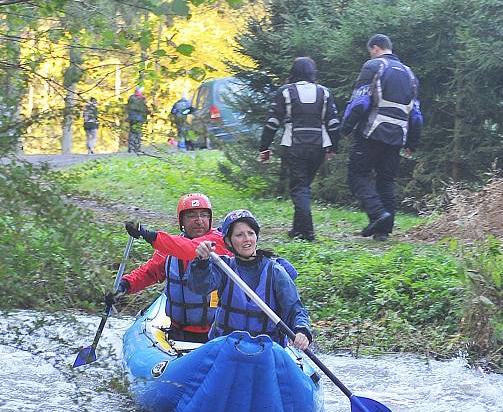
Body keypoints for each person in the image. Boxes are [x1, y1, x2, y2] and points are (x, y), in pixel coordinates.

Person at [107, 193, 230, 342]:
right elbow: (149, 272)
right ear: (182, 221)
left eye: (204, 215)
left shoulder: (219, 242)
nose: (199, 221)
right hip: (177, 331)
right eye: (192, 216)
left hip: (215, 333)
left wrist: (147, 234)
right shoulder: (170, 249)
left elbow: (189, 249)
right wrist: (123, 285)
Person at [186, 209, 312, 350]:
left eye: (250, 233)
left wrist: (302, 330)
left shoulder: (276, 272)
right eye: (239, 235)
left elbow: (294, 308)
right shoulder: (223, 267)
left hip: (265, 352)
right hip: (226, 349)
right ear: (229, 241)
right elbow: (199, 288)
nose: (247, 239)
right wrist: (202, 263)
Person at [341, 33, 420, 241]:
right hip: (397, 136)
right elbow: (416, 114)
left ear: (375, 48)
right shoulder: (410, 74)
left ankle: (377, 213)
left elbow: (360, 102)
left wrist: (347, 127)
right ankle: (383, 231)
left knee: (356, 175)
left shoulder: (374, 66)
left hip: (371, 132)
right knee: (386, 180)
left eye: (371, 51)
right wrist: (412, 141)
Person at [259, 57, 340, 242]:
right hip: (318, 146)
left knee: (299, 187)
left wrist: (264, 146)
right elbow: (333, 122)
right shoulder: (324, 92)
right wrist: (333, 147)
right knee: (303, 186)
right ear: (313, 72)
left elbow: (272, 122)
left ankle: (308, 232)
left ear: (293, 71)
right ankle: (297, 230)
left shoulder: (286, 92)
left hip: (293, 145)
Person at [126, 88, 148, 153]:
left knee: (134, 132)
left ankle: (133, 147)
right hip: (137, 118)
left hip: (134, 118)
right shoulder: (137, 99)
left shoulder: (132, 98)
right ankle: (135, 147)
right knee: (136, 132)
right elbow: (142, 109)